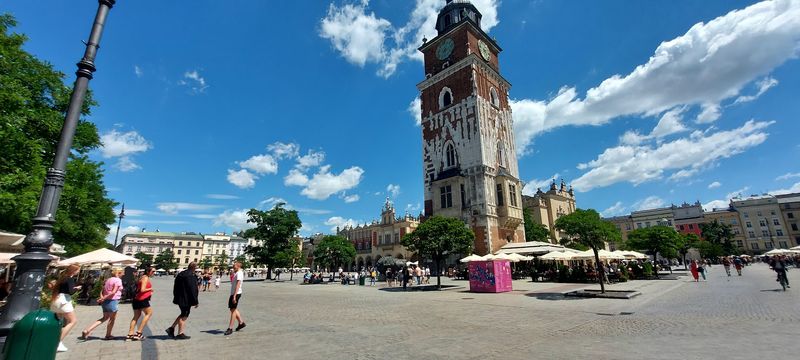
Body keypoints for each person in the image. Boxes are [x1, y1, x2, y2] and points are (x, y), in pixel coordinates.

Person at [82, 267, 124, 341]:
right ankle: (108, 335)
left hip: (105, 301)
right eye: (122, 273)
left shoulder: (108, 280)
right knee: (112, 319)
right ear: (119, 273)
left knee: (104, 318)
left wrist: (102, 298)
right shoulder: (118, 280)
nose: (123, 274)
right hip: (113, 300)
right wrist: (103, 298)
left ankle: (87, 330)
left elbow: (102, 290)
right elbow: (113, 292)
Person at [51, 264, 82, 352]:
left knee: (59, 322)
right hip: (64, 301)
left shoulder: (62, 278)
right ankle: (57, 342)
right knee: (73, 321)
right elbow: (71, 292)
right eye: (77, 270)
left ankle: (55, 341)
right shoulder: (70, 278)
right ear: (73, 271)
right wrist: (77, 288)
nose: (78, 272)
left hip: (56, 300)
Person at [167, 262, 199, 340]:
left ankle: (171, 328)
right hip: (186, 299)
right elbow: (192, 289)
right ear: (194, 268)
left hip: (180, 298)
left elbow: (175, 286)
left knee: (183, 313)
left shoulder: (181, 274)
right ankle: (180, 333)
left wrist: (176, 296)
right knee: (184, 315)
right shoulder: (190, 276)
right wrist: (195, 301)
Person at [127, 267, 155, 341]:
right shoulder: (145, 278)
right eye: (153, 271)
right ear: (148, 271)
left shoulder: (142, 277)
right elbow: (142, 290)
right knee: (149, 313)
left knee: (136, 316)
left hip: (136, 299)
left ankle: (130, 334)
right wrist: (150, 289)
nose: (154, 273)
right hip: (142, 299)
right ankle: (139, 333)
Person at [225, 261, 247, 335]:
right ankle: (241, 322)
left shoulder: (240, 273)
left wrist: (234, 296)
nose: (233, 267)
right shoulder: (237, 272)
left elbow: (238, 284)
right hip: (234, 293)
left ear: (238, 266)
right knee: (232, 309)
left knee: (233, 310)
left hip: (236, 293)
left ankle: (230, 328)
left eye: (234, 266)